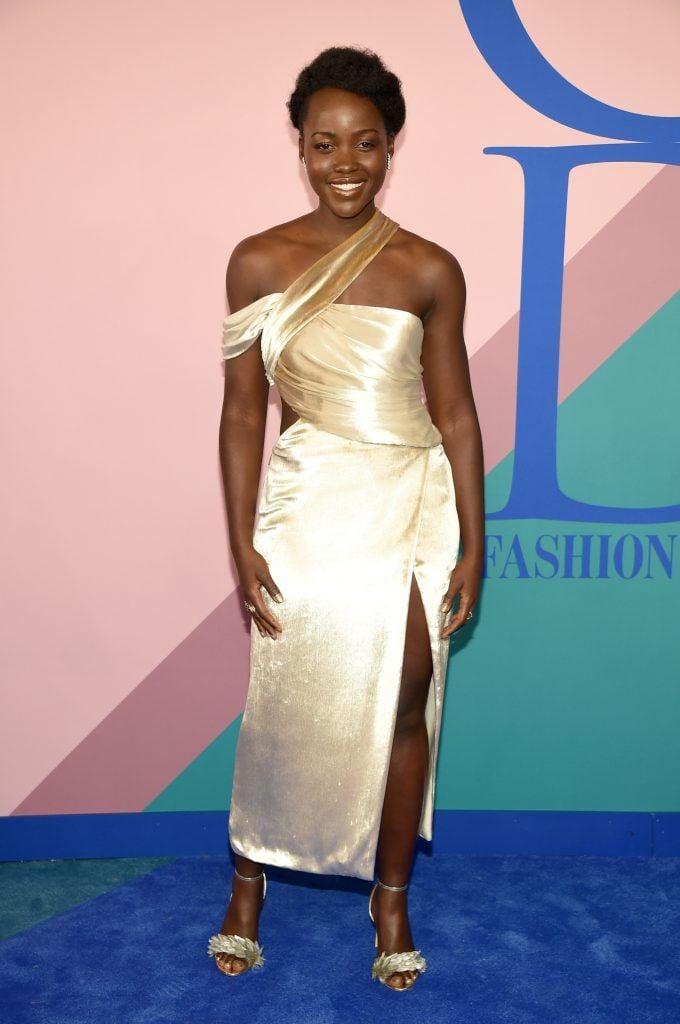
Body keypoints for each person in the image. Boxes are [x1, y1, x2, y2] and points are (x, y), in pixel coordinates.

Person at [208, 45, 484, 991]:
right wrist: (240, 540)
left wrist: (476, 544)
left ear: (391, 145)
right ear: (299, 145)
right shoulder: (257, 260)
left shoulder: (429, 268)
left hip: (411, 498)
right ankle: (248, 882)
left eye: (366, 142)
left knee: (407, 696)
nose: (346, 163)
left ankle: (391, 894)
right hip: (308, 500)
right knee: (288, 696)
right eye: (324, 143)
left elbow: (455, 413)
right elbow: (246, 410)